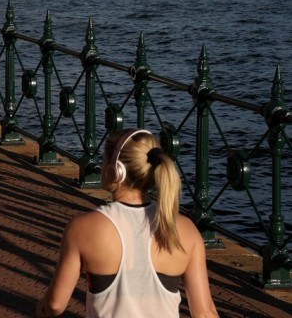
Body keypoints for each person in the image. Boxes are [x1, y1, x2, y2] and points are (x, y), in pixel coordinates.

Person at [36, 129, 219, 318]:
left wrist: (42, 308)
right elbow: (205, 313)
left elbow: (55, 305)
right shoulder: (184, 229)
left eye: (104, 160)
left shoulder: (83, 227)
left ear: (115, 170)